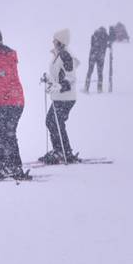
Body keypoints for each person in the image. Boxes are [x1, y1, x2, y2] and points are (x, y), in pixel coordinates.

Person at [40, 29, 80, 164]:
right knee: (53, 122)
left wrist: (60, 86)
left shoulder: (65, 55)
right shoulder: (58, 54)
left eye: (55, 39)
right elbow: (58, 75)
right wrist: (49, 79)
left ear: (60, 41)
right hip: (59, 97)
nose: (53, 41)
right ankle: (62, 151)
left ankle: (62, 151)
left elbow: (71, 78)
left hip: (66, 97)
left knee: (54, 122)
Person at [0, 30, 30, 180]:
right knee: (8, 133)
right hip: (17, 101)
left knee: (3, 134)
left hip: (4, 102)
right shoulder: (9, 54)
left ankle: (4, 166)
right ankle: (13, 166)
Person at [83, 27, 109, 94]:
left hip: (93, 56)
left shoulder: (94, 36)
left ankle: (86, 88)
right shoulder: (105, 37)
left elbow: (92, 44)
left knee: (90, 71)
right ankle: (99, 88)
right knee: (100, 73)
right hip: (101, 57)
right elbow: (108, 43)